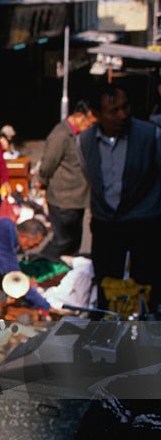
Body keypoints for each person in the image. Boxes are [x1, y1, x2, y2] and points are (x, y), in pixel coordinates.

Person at [78, 83, 161, 312]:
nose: (122, 115)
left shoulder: (150, 135)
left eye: (125, 108)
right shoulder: (84, 141)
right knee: (107, 281)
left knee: (145, 280)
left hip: (144, 220)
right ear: (96, 115)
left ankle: (145, 328)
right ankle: (109, 329)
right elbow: (89, 173)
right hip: (106, 222)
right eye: (113, 111)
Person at [38, 100, 96, 259]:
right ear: (80, 117)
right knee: (63, 240)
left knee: (74, 241)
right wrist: (42, 182)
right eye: (89, 123)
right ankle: (38, 264)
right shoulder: (61, 134)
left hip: (78, 198)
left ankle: (66, 272)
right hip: (63, 198)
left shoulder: (79, 135)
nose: (90, 127)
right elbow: (48, 164)